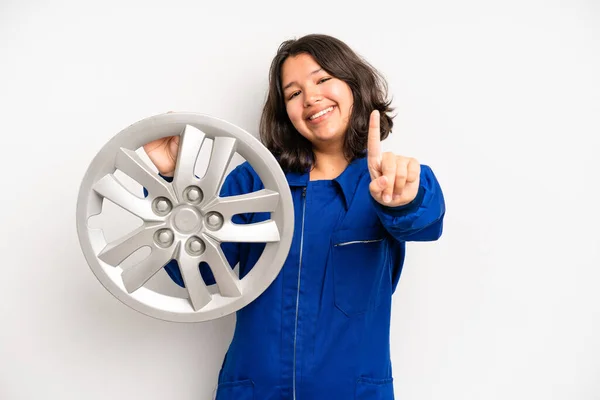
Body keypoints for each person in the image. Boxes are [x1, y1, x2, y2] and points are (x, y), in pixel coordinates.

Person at [143, 34, 445, 400]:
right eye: (293, 93)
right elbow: (199, 274)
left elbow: (425, 220)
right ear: (284, 111)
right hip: (254, 390)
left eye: (322, 80)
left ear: (353, 85)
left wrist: (403, 199)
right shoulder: (253, 184)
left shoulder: (389, 179)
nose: (311, 97)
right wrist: (172, 183)